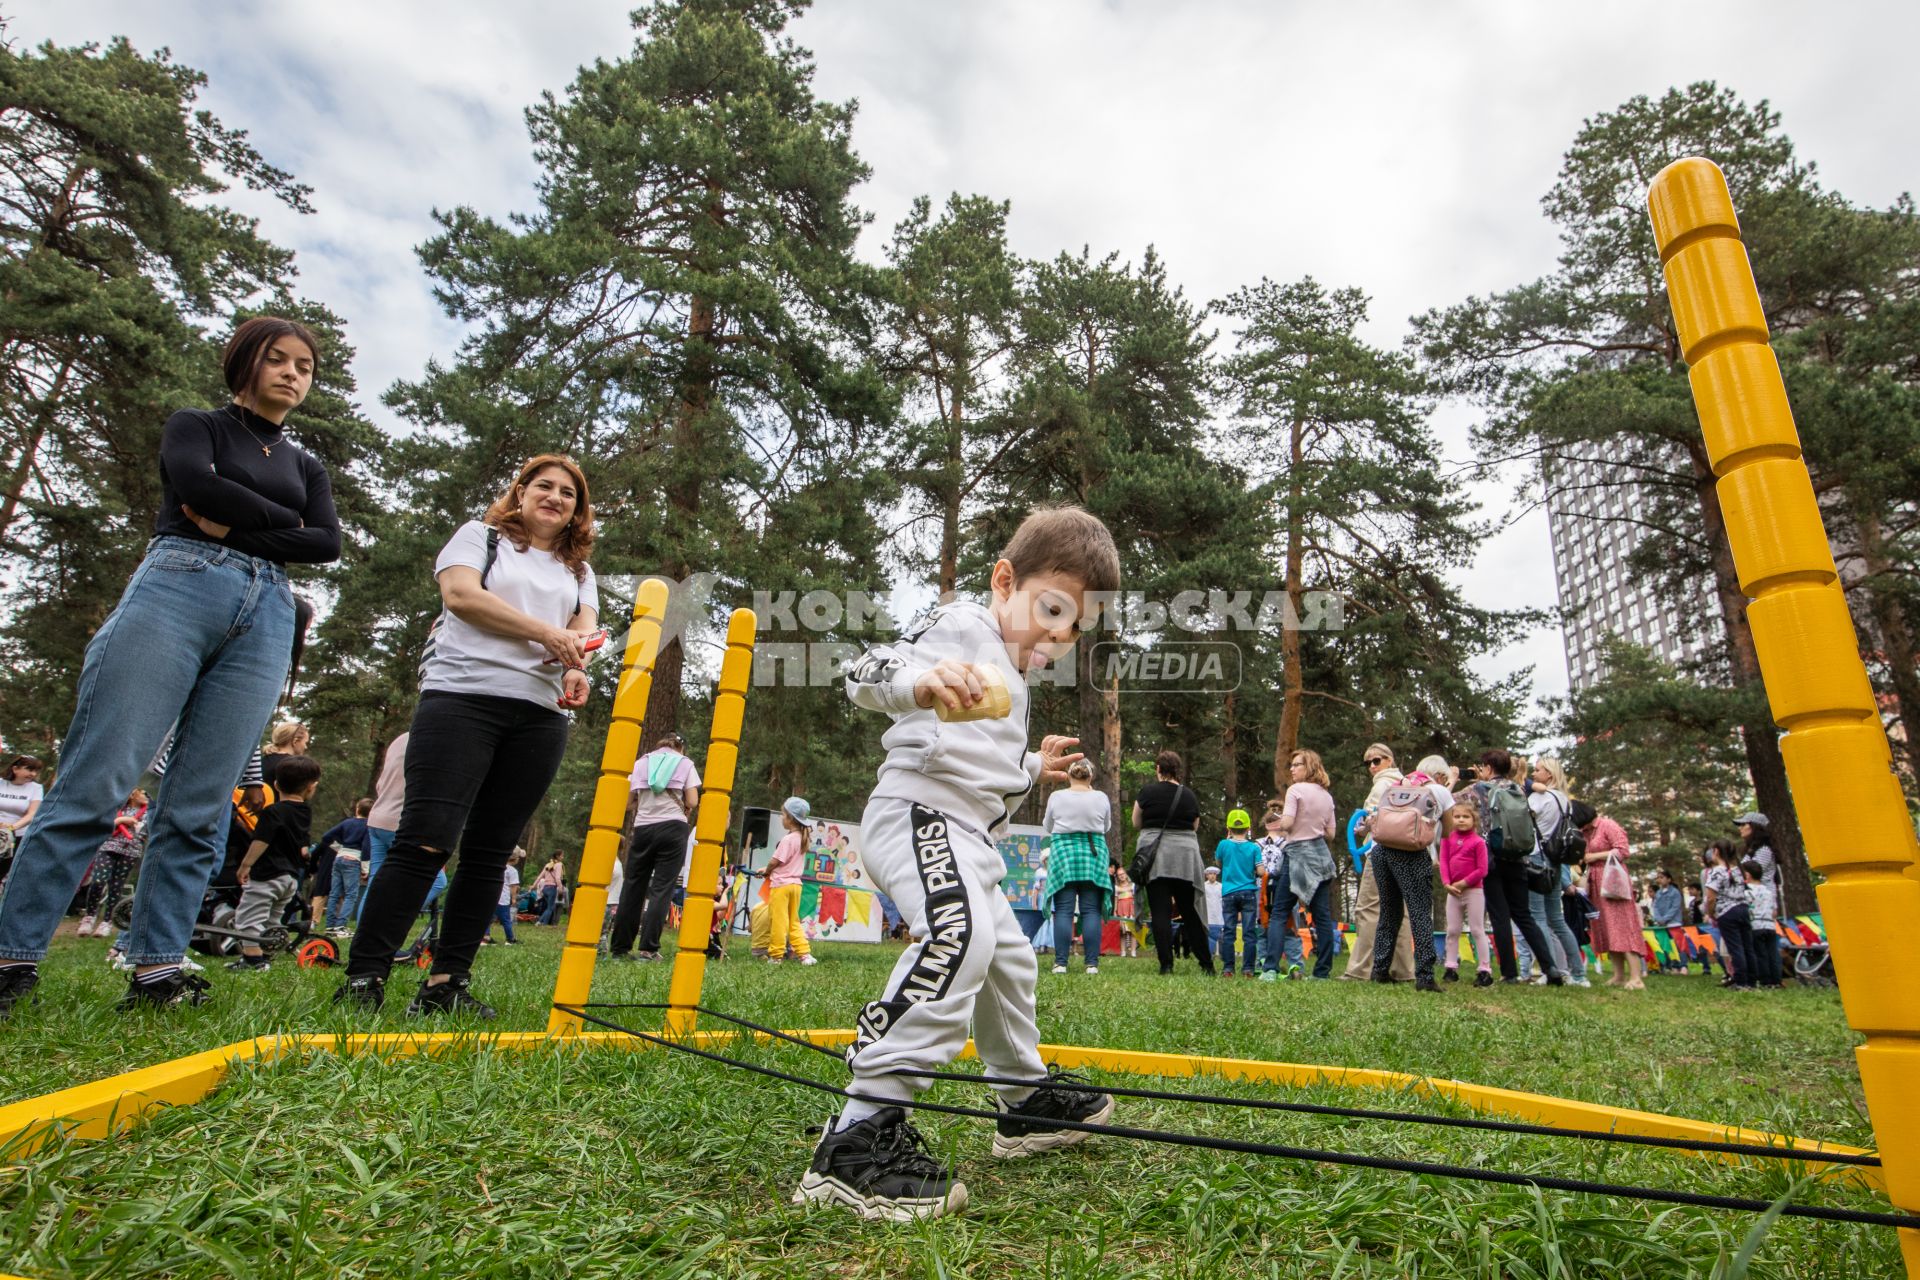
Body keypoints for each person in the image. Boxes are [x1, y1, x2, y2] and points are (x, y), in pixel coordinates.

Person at [0, 317, 339, 1016]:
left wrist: (235, 518)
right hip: (181, 584)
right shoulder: (199, 426)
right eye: (276, 360)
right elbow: (193, 484)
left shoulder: (306, 464)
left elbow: (324, 542)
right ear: (244, 363)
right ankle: (11, 957)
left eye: (304, 366)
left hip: (270, 608)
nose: (291, 374)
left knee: (203, 804)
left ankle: (155, 968)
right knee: (100, 779)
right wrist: (275, 522)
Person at [798, 504, 1119, 1221]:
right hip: (917, 814)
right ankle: (856, 1139)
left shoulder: (1015, 673)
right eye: (1054, 610)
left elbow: (985, 762)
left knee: (1009, 959)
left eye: (1076, 628)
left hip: (968, 834)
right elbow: (864, 669)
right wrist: (922, 679)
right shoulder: (966, 627)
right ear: (1005, 580)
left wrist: (1035, 765)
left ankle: (1023, 1102)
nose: (1061, 637)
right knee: (960, 937)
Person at [339, 454, 599, 1017]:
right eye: (544, 487)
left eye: (568, 494)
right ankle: (364, 976)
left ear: (578, 510)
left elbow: (583, 629)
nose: (555, 498)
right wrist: (546, 635)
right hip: (462, 699)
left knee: (489, 854)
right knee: (425, 841)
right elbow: (461, 597)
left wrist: (576, 667)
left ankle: (446, 984)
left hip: (540, 714)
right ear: (521, 491)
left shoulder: (577, 570)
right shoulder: (479, 537)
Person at [609, 732, 700, 962]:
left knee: (633, 886)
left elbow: (628, 803)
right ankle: (648, 949)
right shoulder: (685, 763)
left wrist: (646, 801)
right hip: (673, 828)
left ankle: (620, 947)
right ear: (681, 748)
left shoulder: (642, 762)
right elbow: (692, 801)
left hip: (643, 828)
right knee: (662, 888)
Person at [229, 756, 322, 972]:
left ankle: (253, 960)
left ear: (276, 785)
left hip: (267, 875)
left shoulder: (274, 812)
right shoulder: (305, 812)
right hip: (289, 878)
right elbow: (302, 846)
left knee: (249, 916)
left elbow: (261, 841)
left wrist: (245, 865)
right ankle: (268, 953)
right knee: (273, 918)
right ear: (311, 788)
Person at [1366, 754, 1450, 993]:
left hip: (1381, 850)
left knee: (1389, 912)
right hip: (1412, 854)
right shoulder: (1440, 790)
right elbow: (1447, 832)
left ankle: (1379, 971)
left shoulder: (1401, 785)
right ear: (1442, 776)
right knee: (1420, 913)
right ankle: (1425, 976)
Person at [1132, 751, 1215, 977]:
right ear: (1177, 770)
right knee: (1190, 911)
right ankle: (1206, 963)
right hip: (1185, 858)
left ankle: (1166, 965)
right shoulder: (1188, 795)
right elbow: (1195, 826)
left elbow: (1136, 822)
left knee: (1161, 911)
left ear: (1158, 768)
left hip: (1155, 857)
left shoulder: (1147, 792)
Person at [1265, 750, 1339, 981]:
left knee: (1278, 913)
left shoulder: (1294, 790)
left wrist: (1282, 821)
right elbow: (1331, 833)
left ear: (1309, 767)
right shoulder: (1327, 796)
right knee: (1323, 917)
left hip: (1296, 855)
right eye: (1292, 765)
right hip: (1321, 856)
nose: (1292, 769)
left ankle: (1270, 969)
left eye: (1297, 765)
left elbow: (1286, 823)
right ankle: (1322, 972)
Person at [1342, 745, 1413, 981]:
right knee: (1399, 911)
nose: (1372, 766)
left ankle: (1360, 969)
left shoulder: (1382, 784)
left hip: (1381, 850)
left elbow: (1370, 819)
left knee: (1369, 907)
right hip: (1405, 851)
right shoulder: (1409, 784)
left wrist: (1361, 828)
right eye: (1368, 763)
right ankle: (1402, 970)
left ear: (1390, 760)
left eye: (1377, 760)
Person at [1041, 759, 1112, 976]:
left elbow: (1048, 826)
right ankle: (1091, 964)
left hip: (1063, 853)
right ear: (1090, 777)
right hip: (1094, 853)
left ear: (1069, 776)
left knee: (1063, 910)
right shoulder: (1100, 797)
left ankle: (1061, 963)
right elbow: (1106, 826)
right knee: (1091, 910)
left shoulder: (1057, 797)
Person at [1526, 757, 1584, 986]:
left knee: (1538, 916)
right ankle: (1578, 973)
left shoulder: (1539, 797)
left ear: (1549, 774)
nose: (1534, 772)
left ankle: (1550, 970)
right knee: (1557, 919)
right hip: (1556, 859)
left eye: (1538, 770)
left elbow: (1524, 817)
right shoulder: (1563, 799)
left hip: (1536, 856)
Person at [1579, 805, 1644, 990]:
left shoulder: (1608, 825)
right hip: (1596, 882)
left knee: (1622, 926)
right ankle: (1619, 975)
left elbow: (1623, 851)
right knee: (1608, 928)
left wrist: (1594, 856)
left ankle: (1636, 977)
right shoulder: (1586, 832)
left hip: (1614, 880)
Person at [1438, 802, 1493, 986]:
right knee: (1452, 930)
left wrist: (1464, 882)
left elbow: (1482, 869)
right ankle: (1450, 967)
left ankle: (1484, 969)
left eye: (1465, 816)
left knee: (1477, 929)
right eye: (1457, 816)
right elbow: (1444, 861)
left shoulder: (1478, 842)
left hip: (1473, 890)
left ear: (1473, 820)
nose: (1461, 820)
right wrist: (1446, 883)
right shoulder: (1447, 839)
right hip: (1453, 891)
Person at [765, 797, 817, 966]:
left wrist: (766, 872)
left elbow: (775, 862)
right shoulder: (802, 838)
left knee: (779, 922)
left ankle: (776, 956)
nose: (781, 817)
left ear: (790, 818)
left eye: (783, 814)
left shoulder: (787, 840)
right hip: (796, 886)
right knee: (794, 922)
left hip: (781, 886)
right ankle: (805, 954)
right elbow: (787, 863)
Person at [1212, 810, 1260, 978]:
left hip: (1229, 893)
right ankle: (1248, 969)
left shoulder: (1223, 845)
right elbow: (1260, 870)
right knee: (1249, 932)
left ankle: (1228, 969)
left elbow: (1219, 862)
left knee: (1229, 931)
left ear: (1228, 828)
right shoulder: (1254, 847)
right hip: (1248, 892)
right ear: (1248, 828)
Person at [1702, 839, 1753, 988]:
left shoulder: (1716, 871)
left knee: (1735, 947)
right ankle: (1751, 980)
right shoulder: (1738, 869)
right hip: (1743, 908)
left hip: (1727, 912)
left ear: (1716, 851)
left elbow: (1711, 897)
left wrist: (1711, 913)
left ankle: (1741, 981)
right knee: (1747, 946)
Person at [316, 800, 372, 934]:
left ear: (357, 809)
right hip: (354, 860)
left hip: (339, 857)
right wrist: (365, 869)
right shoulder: (367, 827)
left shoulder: (346, 822)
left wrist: (341, 846)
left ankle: (330, 926)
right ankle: (340, 926)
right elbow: (366, 848)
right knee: (351, 895)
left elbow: (326, 836)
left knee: (334, 893)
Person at [1742, 859, 1783, 987]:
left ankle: (1765, 980)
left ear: (1747, 875)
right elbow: (1774, 911)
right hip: (1770, 925)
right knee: (1772, 953)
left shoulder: (1746, 892)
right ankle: (1776, 979)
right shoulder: (1768, 891)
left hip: (1755, 925)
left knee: (1760, 954)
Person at [1735, 812, 1780, 903]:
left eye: (1743, 824)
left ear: (1755, 827)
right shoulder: (1753, 849)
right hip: (1754, 897)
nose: (1740, 828)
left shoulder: (1764, 850)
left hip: (1763, 900)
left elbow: (1750, 873)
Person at [258, 721, 310, 793]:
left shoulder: (262, 761)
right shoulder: (294, 766)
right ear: (295, 741)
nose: (306, 747)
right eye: (305, 742)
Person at [487, 850, 523, 945]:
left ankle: (485, 937)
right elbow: (513, 886)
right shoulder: (513, 871)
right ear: (515, 859)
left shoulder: (499, 867)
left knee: (488, 918)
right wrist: (514, 898)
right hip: (503, 899)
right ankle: (510, 939)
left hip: (492, 896)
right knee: (506, 920)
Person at [1112, 869, 1138, 958]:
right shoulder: (1116, 887)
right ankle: (1123, 951)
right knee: (1122, 931)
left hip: (1131, 908)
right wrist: (1115, 911)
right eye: (1119, 875)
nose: (1122, 876)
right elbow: (1115, 899)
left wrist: (1136, 910)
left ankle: (1133, 951)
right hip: (1121, 909)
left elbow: (1135, 898)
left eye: (1123, 874)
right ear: (1118, 877)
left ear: (1126, 874)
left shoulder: (1133, 885)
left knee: (1132, 931)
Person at [533, 854, 565, 925]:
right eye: (562, 856)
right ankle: (543, 923)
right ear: (558, 856)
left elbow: (539, 877)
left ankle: (540, 922)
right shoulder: (559, 865)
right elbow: (557, 878)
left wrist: (533, 886)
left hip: (545, 888)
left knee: (550, 907)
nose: (563, 857)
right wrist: (560, 888)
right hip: (552, 888)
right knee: (550, 908)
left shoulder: (548, 864)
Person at [1202, 867, 1224, 960]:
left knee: (1222, 938)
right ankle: (1209, 956)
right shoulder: (1203, 886)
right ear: (1207, 875)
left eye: (1214, 874)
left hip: (1219, 916)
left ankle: (1224, 957)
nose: (1212, 876)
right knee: (1209, 938)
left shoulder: (1221, 886)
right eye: (1210, 874)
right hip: (1208, 916)